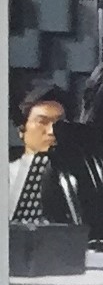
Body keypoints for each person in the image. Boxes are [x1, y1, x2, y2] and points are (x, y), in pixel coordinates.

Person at [10, 82, 67, 219]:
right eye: (42, 122)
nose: (52, 131)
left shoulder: (78, 176)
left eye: (59, 124)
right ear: (22, 129)